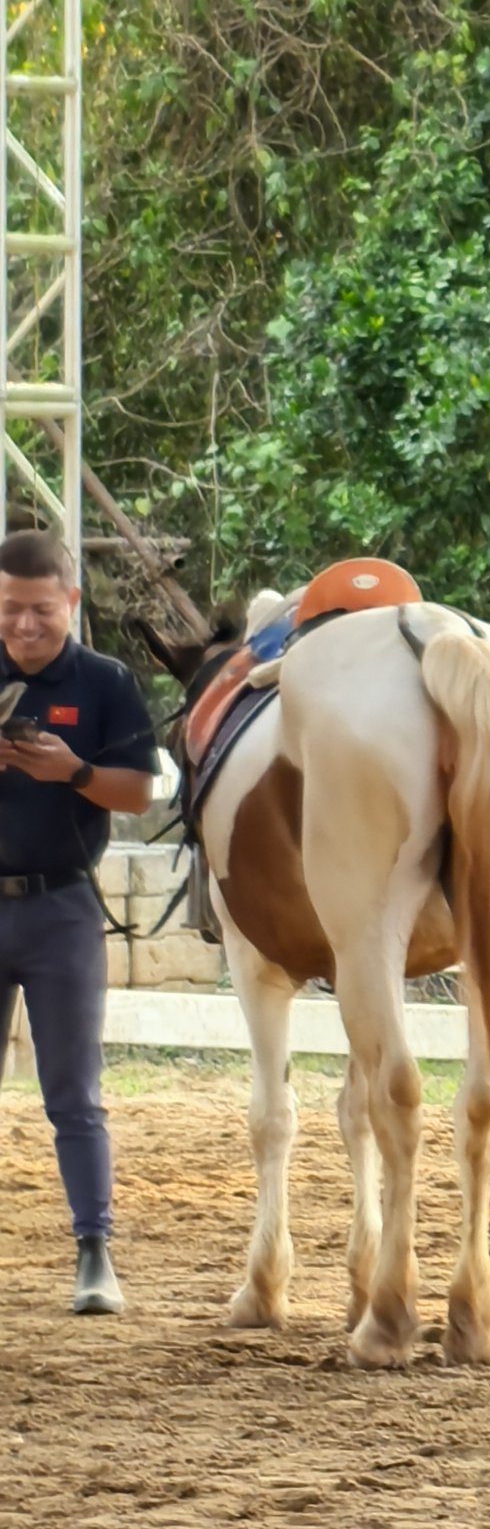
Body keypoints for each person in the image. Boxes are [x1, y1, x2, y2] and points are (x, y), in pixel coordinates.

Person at [0, 528, 160, 1314]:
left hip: (61, 906)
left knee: (73, 1092)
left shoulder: (105, 682)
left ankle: (94, 1252)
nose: (24, 626)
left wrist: (75, 772)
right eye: (8, 610)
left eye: (40, 610)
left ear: (70, 601)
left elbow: (140, 794)